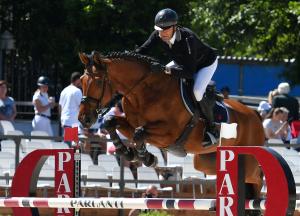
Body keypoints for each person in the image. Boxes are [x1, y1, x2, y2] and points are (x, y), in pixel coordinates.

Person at [135, 8, 219, 144]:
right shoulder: (158, 34)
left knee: (197, 92)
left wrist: (164, 69)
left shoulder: (188, 39)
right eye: (159, 29)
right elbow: (141, 51)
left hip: (205, 64)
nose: (162, 33)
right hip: (182, 62)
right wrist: (127, 57)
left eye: (166, 29)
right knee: (159, 79)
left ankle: (211, 128)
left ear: (174, 27)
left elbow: (189, 72)